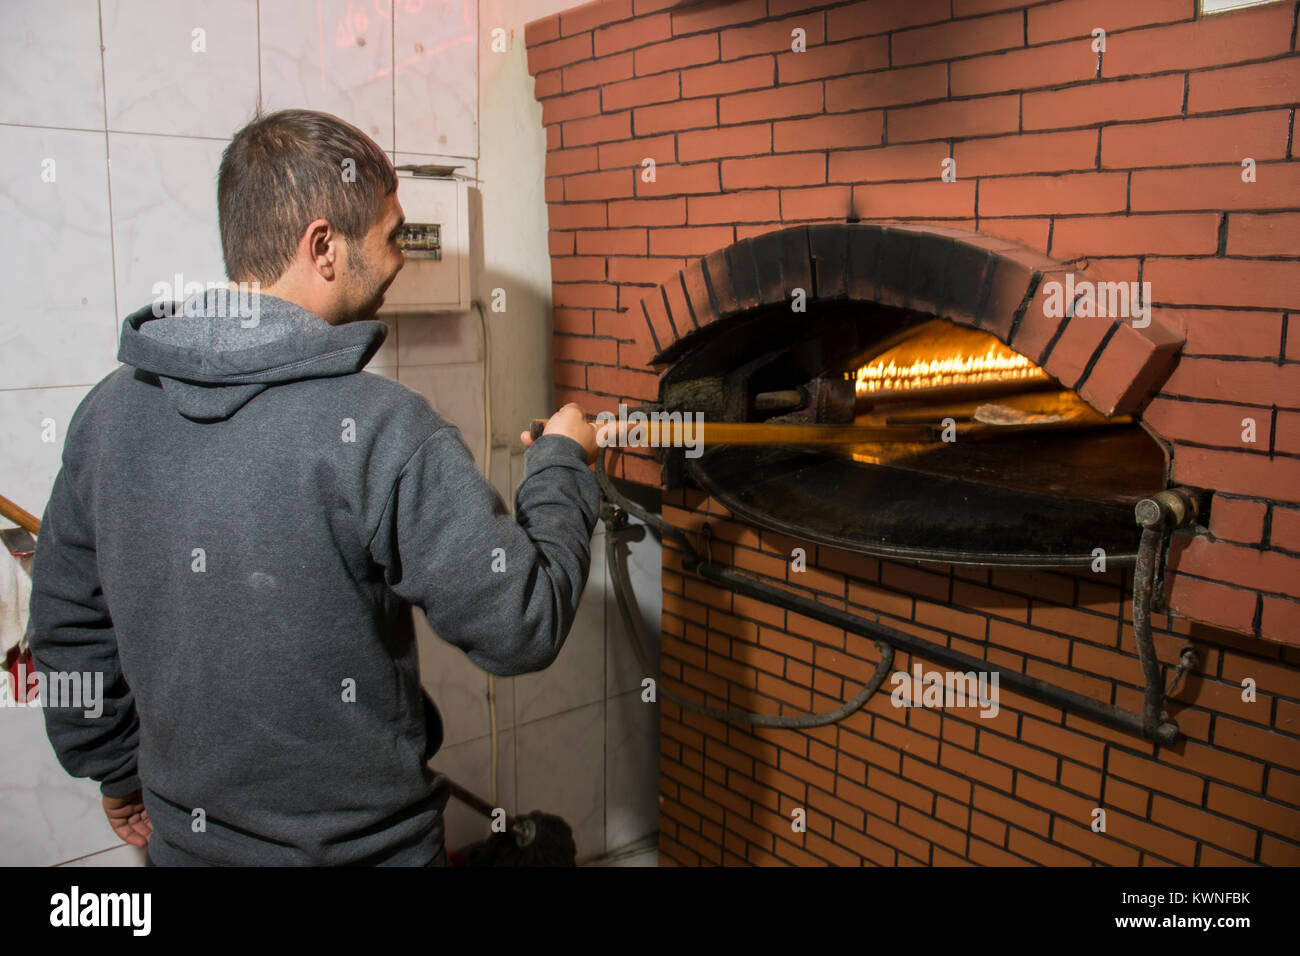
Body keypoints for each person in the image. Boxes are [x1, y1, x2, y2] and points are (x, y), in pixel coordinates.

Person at [27, 108, 605, 866]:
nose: (402, 258)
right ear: (324, 246)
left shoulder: (107, 413)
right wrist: (563, 463)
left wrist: (112, 765)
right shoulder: (382, 428)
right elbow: (521, 622)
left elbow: (69, 629)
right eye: (393, 235)